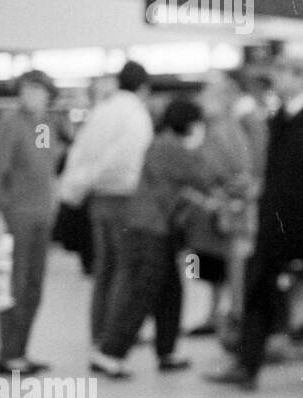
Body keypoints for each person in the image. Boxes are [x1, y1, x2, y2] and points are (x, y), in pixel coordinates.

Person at [206, 55, 303, 390]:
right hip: (272, 227)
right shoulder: (277, 120)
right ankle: (246, 365)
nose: (276, 79)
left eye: (283, 73)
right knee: (257, 290)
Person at [90, 98, 214, 378]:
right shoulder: (169, 146)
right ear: (189, 123)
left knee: (170, 290)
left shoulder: (163, 143)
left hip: (155, 227)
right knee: (142, 292)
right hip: (149, 229)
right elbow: (202, 175)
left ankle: (167, 351)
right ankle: (109, 352)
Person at [59, 61, 154, 350]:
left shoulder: (101, 111)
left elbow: (81, 153)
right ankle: (116, 333)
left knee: (104, 268)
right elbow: (129, 158)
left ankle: (99, 331)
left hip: (97, 198)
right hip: (126, 199)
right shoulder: (136, 114)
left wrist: (74, 188)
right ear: (143, 87)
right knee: (126, 269)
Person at [0, 70, 65, 375]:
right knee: (15, 285)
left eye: (38, 90)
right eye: (27, 90)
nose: (32, 96)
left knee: (34, 286)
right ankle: (10, 354)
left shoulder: (44, 126)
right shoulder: (10, 124)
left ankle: (21, 350)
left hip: (41, 216)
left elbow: (46, 166)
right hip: (15, 217)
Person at [185, 72, 255, 338]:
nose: (201, 100)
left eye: (208, 95)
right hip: (218, 213)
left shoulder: (226, 130)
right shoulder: (214, 129)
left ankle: (236, 323)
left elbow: (240, 172)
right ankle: (220, 317)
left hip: (228, 215)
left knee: (234, 270)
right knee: (218, 267)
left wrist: (218, 192)